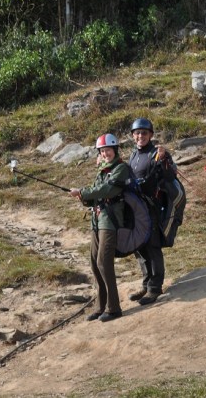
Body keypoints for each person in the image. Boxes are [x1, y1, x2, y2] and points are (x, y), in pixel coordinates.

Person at [69, 133, 129, 322]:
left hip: (110, 221)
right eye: (102, 151)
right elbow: (94, 194)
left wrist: (83, 192)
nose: (105, 154)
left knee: (104, 262)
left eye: (108, 150)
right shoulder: (102, 171)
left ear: (115, 150)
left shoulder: (121, 168)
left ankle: (114, 308)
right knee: (94, 262)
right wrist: (83, 197)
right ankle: (100, 306)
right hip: (97, 220)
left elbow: (107, 190)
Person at [127, 118, 176, 306]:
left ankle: (155, 287)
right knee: (138, 246)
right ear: (133, 136)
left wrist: (164, 159)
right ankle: (146, 284)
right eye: (137, 133)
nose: (141, 136)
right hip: (134, 209)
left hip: (151, 207)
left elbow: (170, 176)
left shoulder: (157, 153)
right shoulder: (133, 155)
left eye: (144, 133)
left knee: (152, 246)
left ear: (151, 135)